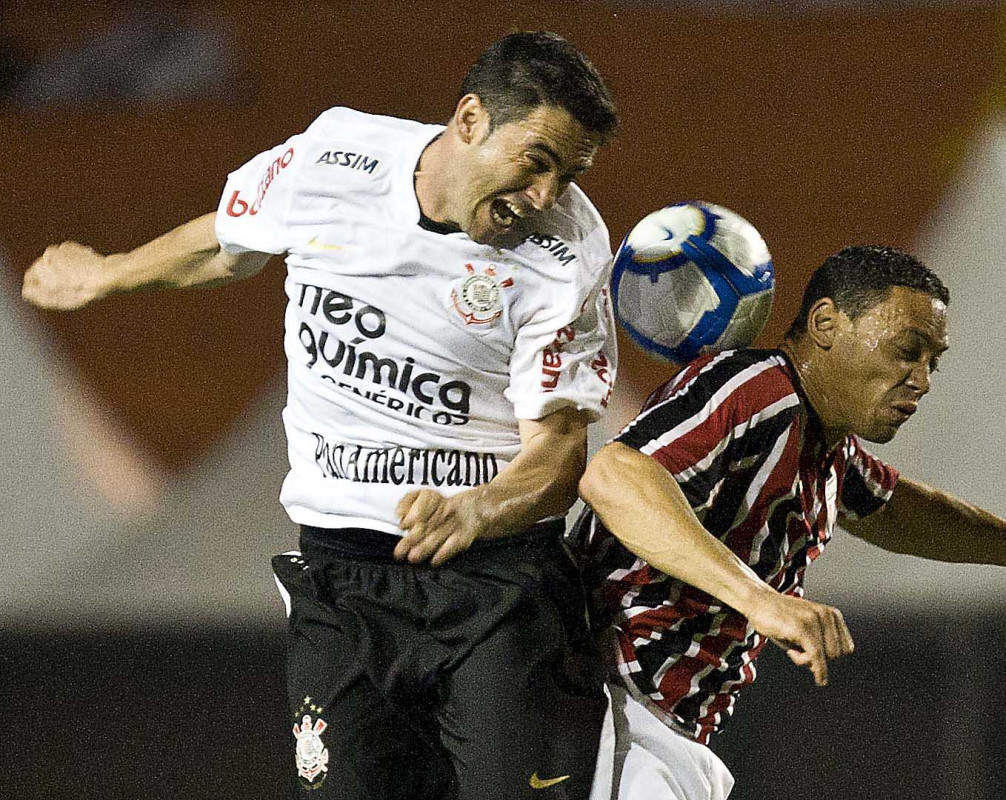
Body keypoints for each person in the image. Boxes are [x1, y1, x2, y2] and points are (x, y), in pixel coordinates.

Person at [23, 32, 620, 800]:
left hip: (495, 589)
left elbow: (560, 450)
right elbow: (227, 241)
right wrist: (110, 273)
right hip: (342, 582)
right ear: (470, 119)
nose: (545, 196)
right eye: (537, 162)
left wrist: (480, 507)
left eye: (568, 175)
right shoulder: (332, 159)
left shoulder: (567, 254)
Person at [572, 245, 1006, 800]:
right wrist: (761, 600)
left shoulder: (826, 448)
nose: (923, 380)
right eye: (906, 350)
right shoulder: (758, 390)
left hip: (663, 728)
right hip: (603, 705)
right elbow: (613, 477)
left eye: (934, 361)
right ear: (827, 323)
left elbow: (913, 514)